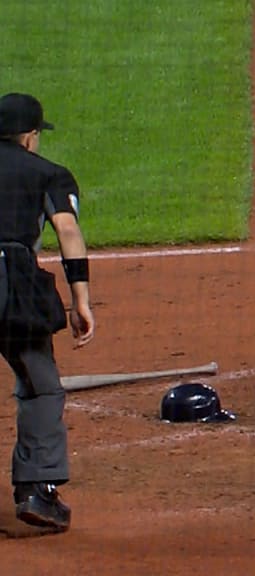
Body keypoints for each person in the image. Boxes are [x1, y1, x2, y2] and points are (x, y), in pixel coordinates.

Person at [0, 92, 95, 531]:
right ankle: (37, 492)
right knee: (40, 385)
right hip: (13, 284)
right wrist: (80, 301)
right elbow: (67, 230)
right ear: (30, 137)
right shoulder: (49, 174)